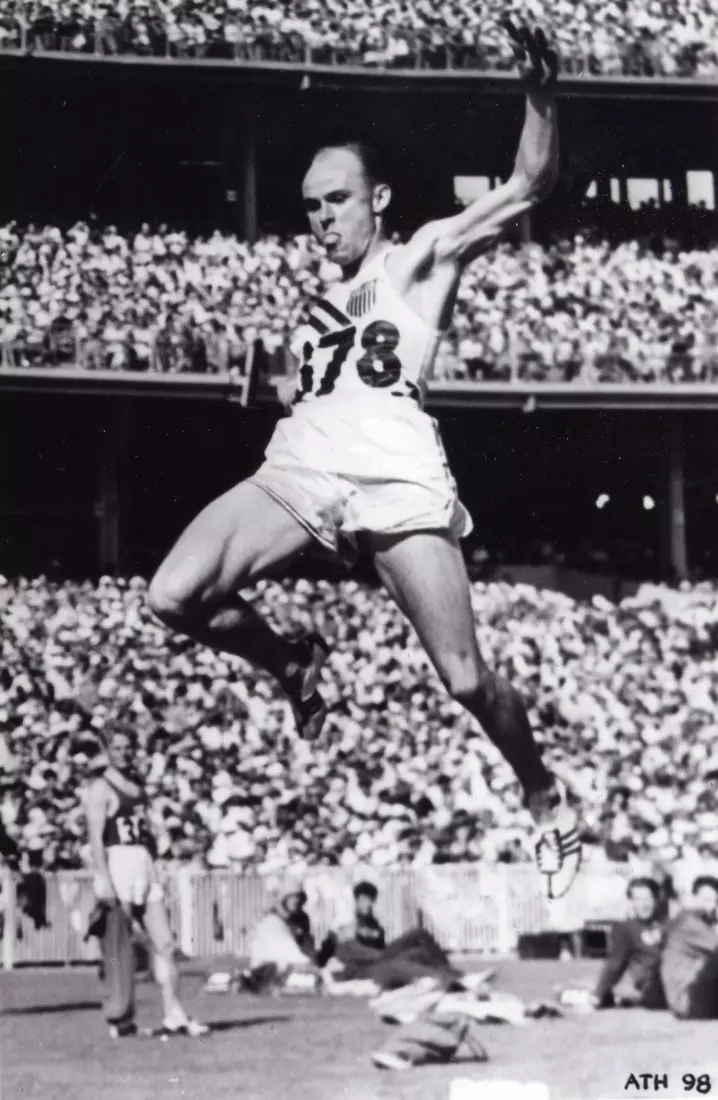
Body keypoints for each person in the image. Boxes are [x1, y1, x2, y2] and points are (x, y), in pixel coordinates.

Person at [148, 20, 581, 899]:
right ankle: (291, 663)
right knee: (170, 596)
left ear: (377, 200)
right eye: (309, 205)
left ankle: (543, 795)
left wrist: (539, 94)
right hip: (304, 468)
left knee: (463, 677)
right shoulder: (311, 304)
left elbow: (531, 184)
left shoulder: (421, 255)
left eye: (335, 201)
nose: (319, 219)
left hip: (396, 472)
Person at [84, 721, 208, 1038]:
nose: (124, 754)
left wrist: (157, 861)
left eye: (128, 748)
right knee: (120, 947)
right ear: (107, 752)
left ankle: (174, 1012)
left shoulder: (137, 785)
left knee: (165, 942)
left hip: (143, 863)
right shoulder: (100, 788)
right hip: (118, 862)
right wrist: (104, 879)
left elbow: (146, 830)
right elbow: (96, 838)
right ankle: (120, 1016)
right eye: (118, 749)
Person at [588, 877, 667, 1010]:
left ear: (656, 900)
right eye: (637, 899)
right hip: (653, 984)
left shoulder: (667, 925)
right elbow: (615, 963)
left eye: (647, 899)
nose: (643, 905)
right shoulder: (626, 929)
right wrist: (598, 994)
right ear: (631, 902)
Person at [661, 875, 718, 1020]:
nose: (711, 906)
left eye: (715, 901)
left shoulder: (699, 922)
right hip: (689, 1001)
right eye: (706, 899)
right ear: (692, 899)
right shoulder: (689, 923)